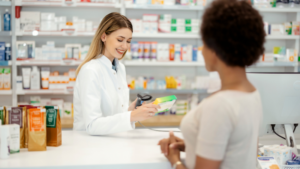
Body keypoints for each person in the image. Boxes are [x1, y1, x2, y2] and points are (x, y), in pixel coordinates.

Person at [158, 0, 265, 169]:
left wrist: (175, 161)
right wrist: (191, 144)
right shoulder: (252, 93)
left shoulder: (218, 106)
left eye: (205, 43)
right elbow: (235, 149)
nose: (201, 50)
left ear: (216, 48)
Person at [73, 12, 160, 135]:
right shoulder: (90, 70)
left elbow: (116, 115)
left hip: (115, 142)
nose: (125, 46)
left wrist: (131, 111)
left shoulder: (120, 68)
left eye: (128, 41)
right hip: (90, 146)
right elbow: (92, 125)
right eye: (120, 40)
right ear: (103, 36)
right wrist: (131, 116)